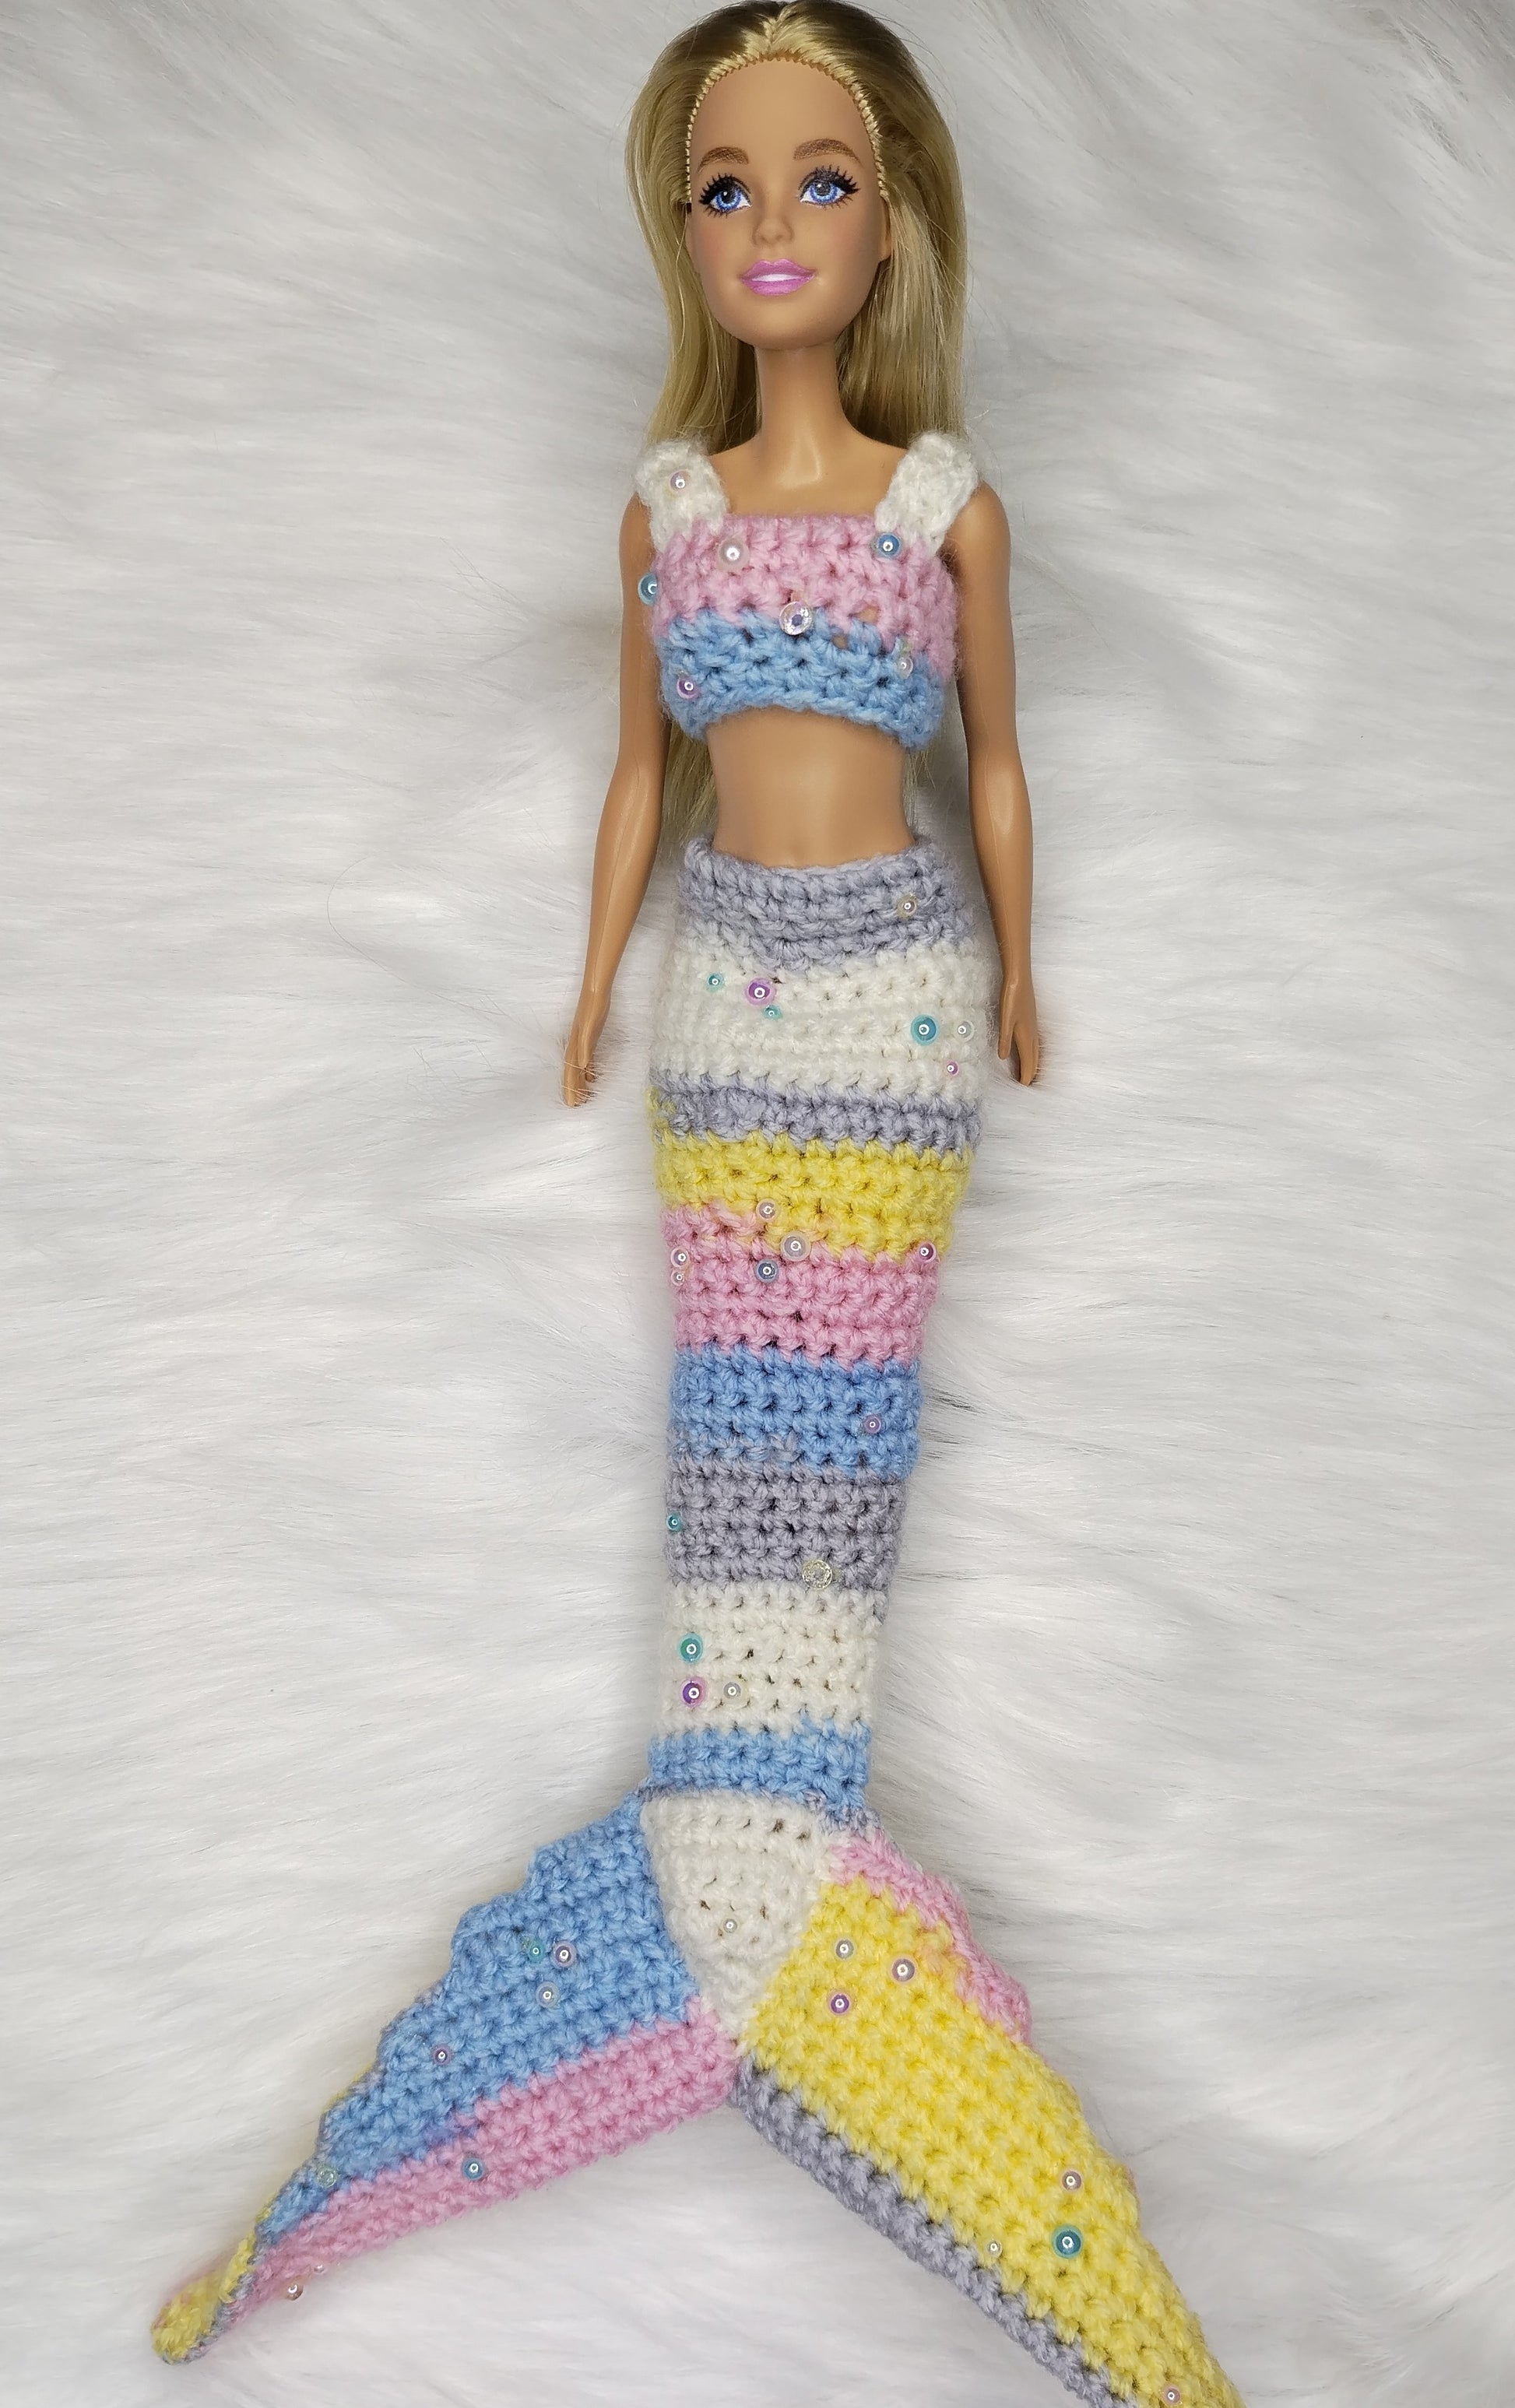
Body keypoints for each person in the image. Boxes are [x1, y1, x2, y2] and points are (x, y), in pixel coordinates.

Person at [153, 12, 1243, 2403]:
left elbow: (1001, 764)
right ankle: (731, 1877)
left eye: (817, 179)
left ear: (891, 215)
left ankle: (773, 1883)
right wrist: (584, 995)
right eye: (724, 185)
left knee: (833, 1446)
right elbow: (638, 779)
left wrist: (1022, 973)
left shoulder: (939, 501)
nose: (769, 226)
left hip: (897, 1003)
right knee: (728, 1437)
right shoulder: (668, 506)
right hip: (722, 1004)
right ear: (682, 226)